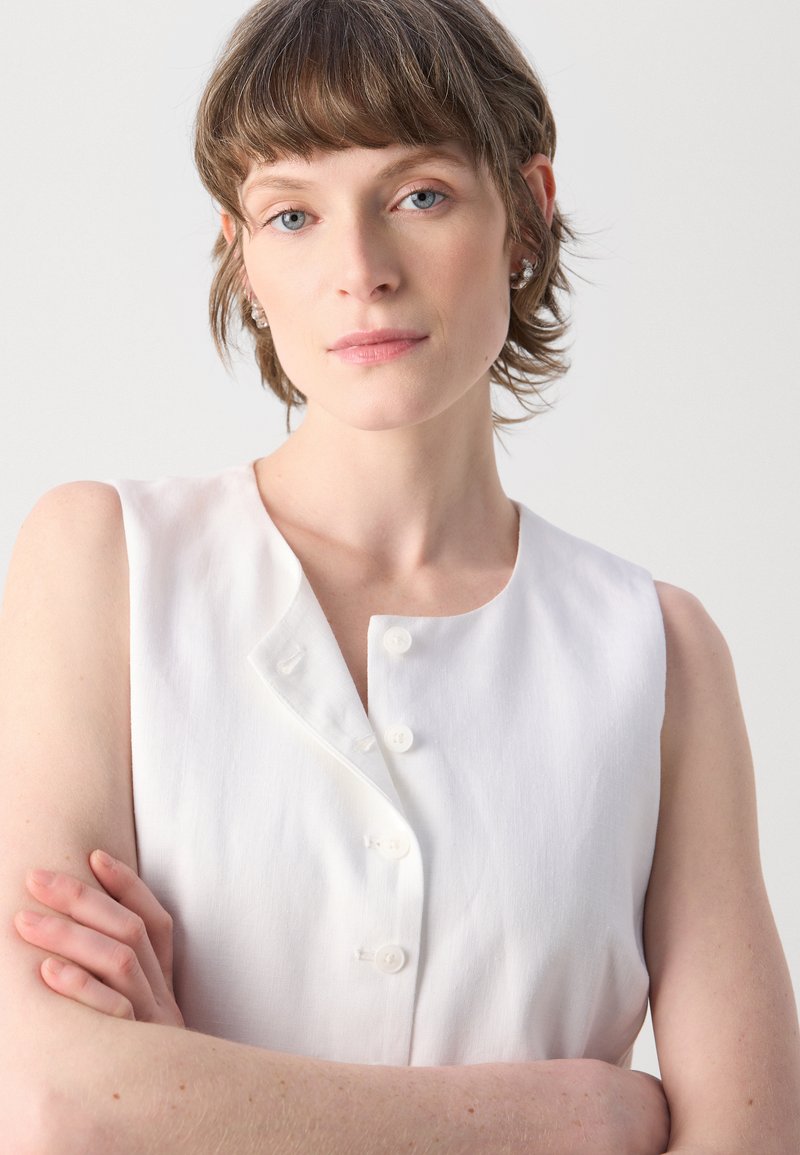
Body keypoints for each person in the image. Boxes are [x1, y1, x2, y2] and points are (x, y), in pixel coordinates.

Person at [1, 0, 798, 1151]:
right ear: (240, 255)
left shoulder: (655, 651)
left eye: (417, 196)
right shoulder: (102, 562)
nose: (359, 272)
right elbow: (48, 1101)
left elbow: (746, 1140)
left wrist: (188, 1100)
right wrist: (563, 1116)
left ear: (526, 212)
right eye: (292, 215)